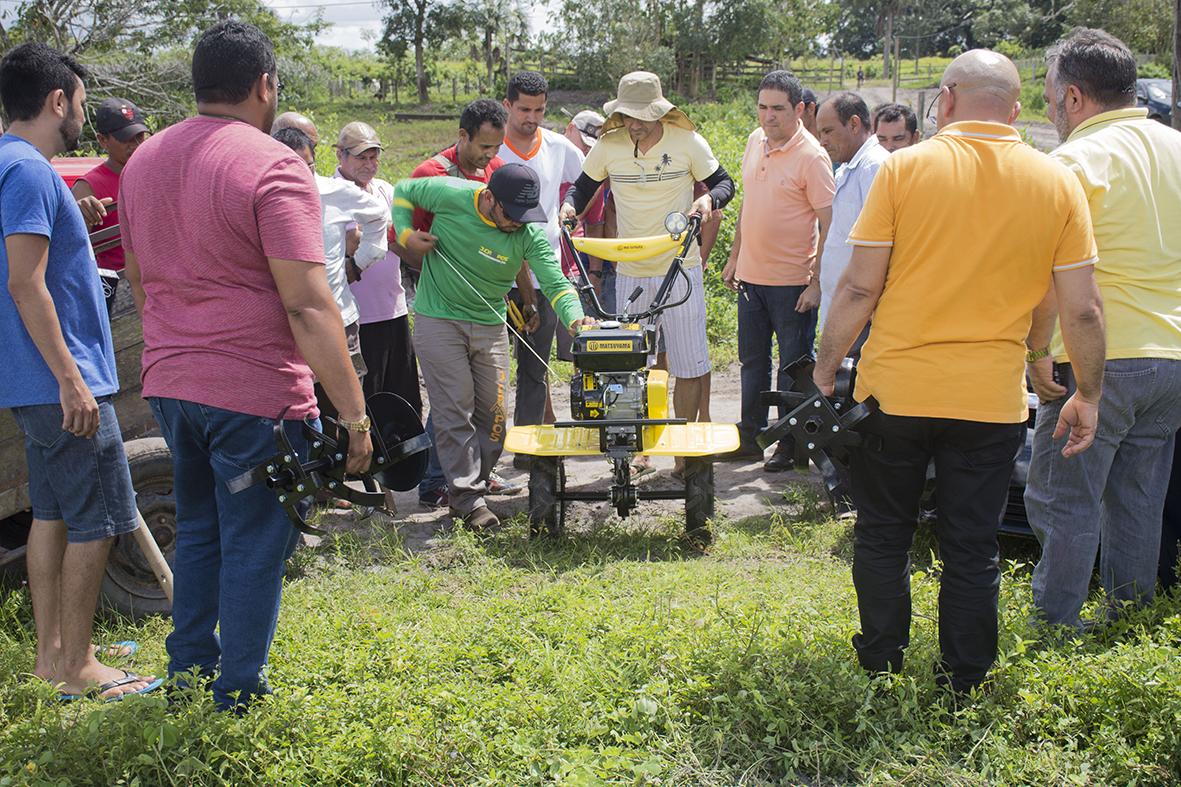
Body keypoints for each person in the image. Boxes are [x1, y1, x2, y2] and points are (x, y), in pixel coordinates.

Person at [813, 49, 1106, 694]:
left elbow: (860, 289)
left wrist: (827, 363)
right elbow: (1074, 304)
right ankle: (965, 678)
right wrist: (1083, 388)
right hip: (990, 402)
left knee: (883, 532)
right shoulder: (1057, 181)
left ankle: (882, 663)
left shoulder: (904, 170)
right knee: (972, 547)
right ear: (1018, 110)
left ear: (943, 102)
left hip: (895, 391)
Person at [120, 20, 372, 711]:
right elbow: (309, 305)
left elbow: (140, 284)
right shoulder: (272, 163)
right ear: (265, 86)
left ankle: (188, 678)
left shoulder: (143, 161)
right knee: (257, 543)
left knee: (199, 531)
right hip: (252, 391)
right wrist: (353, 414)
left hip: (171, 383)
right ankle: (238, 693)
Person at [0, 42, 160, 702]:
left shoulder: (14, 166)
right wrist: (70, 377)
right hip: (62, 382)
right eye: (81, 104)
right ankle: (80, 667)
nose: (81, 118)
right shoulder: (30, 171)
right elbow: (25, 282)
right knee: (96, 516)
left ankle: (54, 651)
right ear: (57, 99)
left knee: (56, 513)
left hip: (30, 382)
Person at [1025, 29, 1181, 631]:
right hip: (1171, 359)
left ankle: (1055, 627)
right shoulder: (1173, 145)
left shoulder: (1071, 162)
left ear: (1072, 97)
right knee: (1138, 501)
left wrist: (1037, 350)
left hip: (1099, 360)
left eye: (1047, 97)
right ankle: (1130, 621)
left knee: (1064, 499)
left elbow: (1047, 276)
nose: (1046, 109)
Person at [393, 165, 593, 530]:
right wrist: (406, 233)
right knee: (456, 408)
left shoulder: (528, 233)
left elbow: (556, 282)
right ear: (489, 198)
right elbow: (405, 188)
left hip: (489, 323)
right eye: (511, 215)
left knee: (496, 416)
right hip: (439, 320)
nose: (517, 224)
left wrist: (577, 320)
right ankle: (467, 500)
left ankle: (474, 484)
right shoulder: (452, 195)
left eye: (524, 217)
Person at [560, 71, 735, 477]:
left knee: (689, 363)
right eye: (627, 115)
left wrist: (707, 199)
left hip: (680, 268)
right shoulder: (609, 145)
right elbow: (583, 188)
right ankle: (640, 448)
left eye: (641, 116)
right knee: (633, 363)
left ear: (659, 111)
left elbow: (724, 182)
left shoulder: (687, 142)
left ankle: (684, 451)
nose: (634, 124)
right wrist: (570, 206)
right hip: (631, 269)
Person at [720, 71, 834, 468]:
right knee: (752, 363)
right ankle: (750, 438)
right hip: (752, 279)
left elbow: (828, 224)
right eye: (763, 107)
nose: (768, 117)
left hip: (792, 284)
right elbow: (749, 207)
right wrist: (735, 257)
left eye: (778, 109)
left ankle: (790, 445)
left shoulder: (813, 157)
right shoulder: (755, 141)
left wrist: (817, 283)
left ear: (800, 109)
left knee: (793, 369)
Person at [407, 97, 511, 508]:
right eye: (483, 147)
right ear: (462, 136)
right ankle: (438, 482)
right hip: (442, 306)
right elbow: (405, 238)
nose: (490, 157)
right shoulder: (430, 174)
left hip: (487, 306)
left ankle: (475, 477)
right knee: (454, 401)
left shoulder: (498, 173)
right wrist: (419, 249)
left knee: (486, 403)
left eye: (496, 148)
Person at [498, 72, 585, 436]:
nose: (531, 117)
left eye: (539, 109)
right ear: (507, 106)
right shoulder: (493, 149)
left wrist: (569, 205)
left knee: (535, 368)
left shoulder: (557, 147)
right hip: (496, 277)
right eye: (523, 109)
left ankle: (527, 449)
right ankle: (487, 455)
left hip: (544, 272)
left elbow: (587, 182)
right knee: (493, 372)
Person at [273, 126, 388, 395]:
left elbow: (378, 214)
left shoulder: (333, 192)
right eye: (293, 168)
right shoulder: (263, 197)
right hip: (287, 326)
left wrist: (358, 263)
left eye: (308, 167)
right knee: (297, 407)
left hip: (339, 321)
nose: (302, 176)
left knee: (347, 406)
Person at [335, 122, 424, 421]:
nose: (370, 165)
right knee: (366, 399)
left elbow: (402, 236)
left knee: (403, 396)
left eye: (374, 157)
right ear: (341, 156)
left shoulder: (386, 191)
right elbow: (349, 244)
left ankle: (407, 462)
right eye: (362, 157)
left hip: (394, 310)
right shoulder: (333, 194)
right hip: (356, 317)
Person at [815, 92, 888, 327]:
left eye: (828, 131)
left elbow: (882, 246)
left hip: (859, 314)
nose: (822, 141)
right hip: (843, 308)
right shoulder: (849, 168)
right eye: (820, 134)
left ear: (854, 124)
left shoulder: (874, 167)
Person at [71, 97, 150, 313]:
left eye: (139, 136)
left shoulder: (152, 173)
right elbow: (73, 250)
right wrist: (79, 213)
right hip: (119, 294)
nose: (135, 145)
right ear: (103, 140)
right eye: (126, 139)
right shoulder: (88, 186)